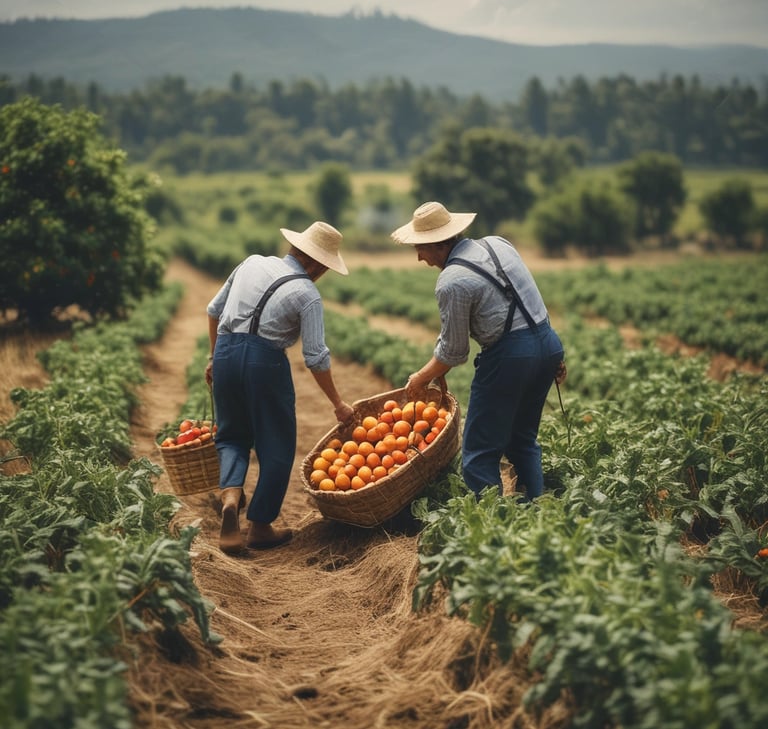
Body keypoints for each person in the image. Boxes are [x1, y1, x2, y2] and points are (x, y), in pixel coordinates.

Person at [391, 201, 566, 501]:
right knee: (523, 439)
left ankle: (487, 529)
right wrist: (550, 355)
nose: (419, 257)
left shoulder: (451, 281)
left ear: (436, 244)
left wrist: (420, 378)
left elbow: (454, 351)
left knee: (479, 451)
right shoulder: (498, 244)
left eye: (420, 247)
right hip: (547, 343)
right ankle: (536, 512)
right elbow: (529, 295)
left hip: (510, 357)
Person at [205, 221, 355, 554]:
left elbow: (213, 310)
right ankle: (259, 526)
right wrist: (337, 402)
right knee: (276, 444)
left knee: (231, 435)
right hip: (265, 363)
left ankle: (231, 497)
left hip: (227, 352)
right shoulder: (308, 295)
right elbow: (315, 357)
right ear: (316, 264)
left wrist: (215, 357)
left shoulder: (251, 262)